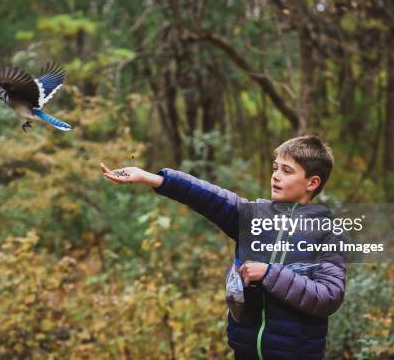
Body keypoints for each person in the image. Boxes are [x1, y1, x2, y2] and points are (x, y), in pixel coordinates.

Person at [100, 135, 346, 360]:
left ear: (312, 183)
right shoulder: (252, 217)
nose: (276, 176)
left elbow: (329, 296)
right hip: (245, 351)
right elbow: (205, 195)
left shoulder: (327, 232)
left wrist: (270, 274)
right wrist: (149, 177)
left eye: (287, 170)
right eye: (275, 168)